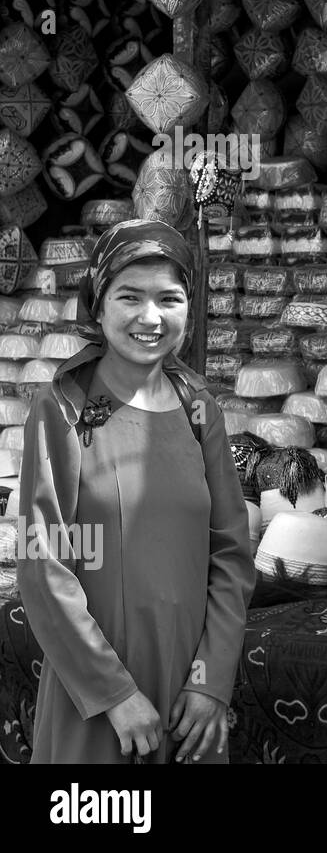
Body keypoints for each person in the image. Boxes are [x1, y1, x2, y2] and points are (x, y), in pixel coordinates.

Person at [17, 219, 254, 764]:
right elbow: (42, 562)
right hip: (97, 699)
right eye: (130, 297)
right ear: (97, 307)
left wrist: (210, 680)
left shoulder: (200, 410)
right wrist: (115, 694)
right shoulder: (64, 410)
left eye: (169, 299)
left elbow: (232, 555)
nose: (151, 317)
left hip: (188, 703)